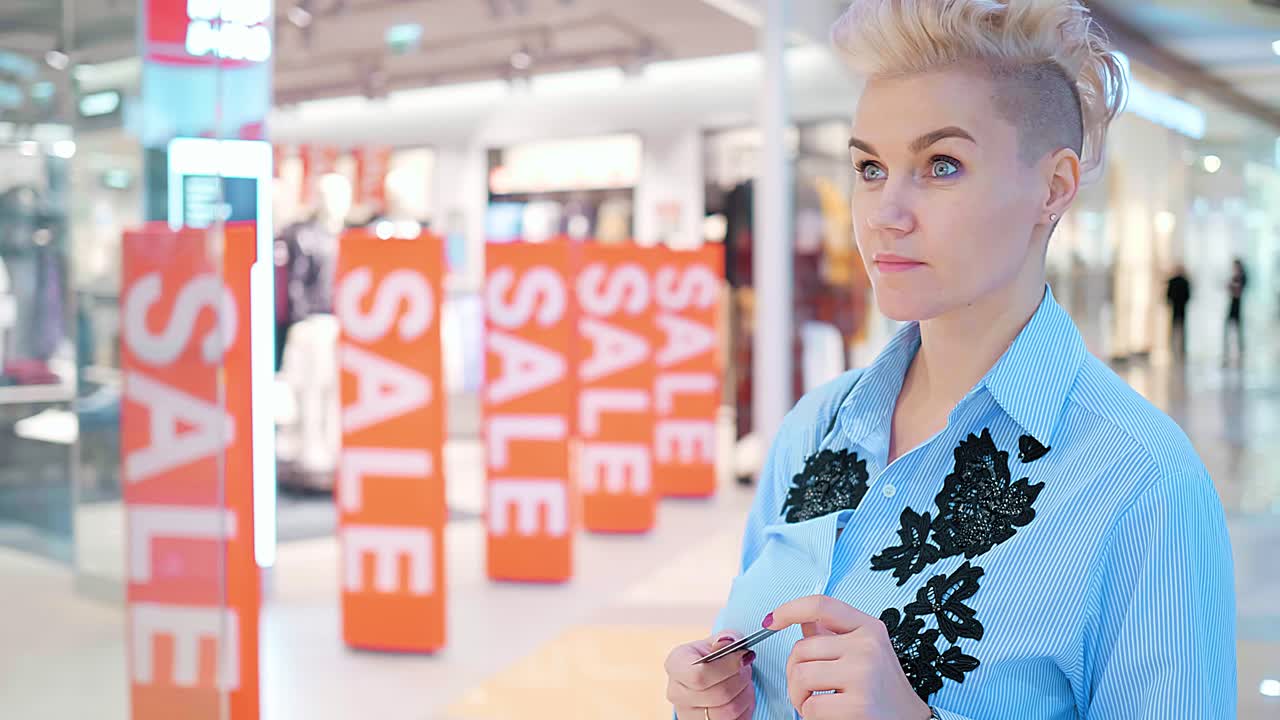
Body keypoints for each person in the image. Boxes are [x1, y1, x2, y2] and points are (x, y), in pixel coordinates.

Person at [663, 1, 1236, 719]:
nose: (885, 212)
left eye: (941, 165)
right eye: (870, 168)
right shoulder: (817, 428)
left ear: (1053, 187)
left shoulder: (1140, 481)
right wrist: (714, 702)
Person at [1165, 264, 1191, 360]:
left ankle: (1178, 348)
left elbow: (1169, 296)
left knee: (1178, 329)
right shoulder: (1178, 281)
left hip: (1179, 308)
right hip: (1178, 308)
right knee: (1177, 329)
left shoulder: (1181, 281)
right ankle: (1175, 348)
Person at [1224, 257, 1247, 366]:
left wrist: (1234, 288)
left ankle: (1241, 347)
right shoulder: (1235, 276)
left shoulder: (1242, 276)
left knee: (1238, 327)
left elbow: (1239, 291)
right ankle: (1228, 346)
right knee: (1229, 327)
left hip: (1238, 306)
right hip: (1232, 305)